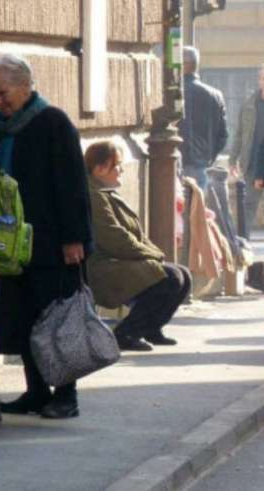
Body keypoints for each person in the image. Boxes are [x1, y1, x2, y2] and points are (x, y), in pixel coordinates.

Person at [0, 54, 92, 419]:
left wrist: (74, 238)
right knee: (23, 316)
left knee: (57, 320)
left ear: (25, 86)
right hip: (14, 242)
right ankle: (35, 391)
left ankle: (66, 393)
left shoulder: (52, 122)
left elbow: (72, 184)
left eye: (3, 93)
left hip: (52, 242)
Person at [85, 141, 192, 351]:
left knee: (183, 274)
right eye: (117, 166)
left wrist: (152, 254)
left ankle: (151, 328)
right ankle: (126, 333)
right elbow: (114, 238)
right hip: (103, 266)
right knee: (169, 278)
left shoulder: (104, 191)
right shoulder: (94, 195)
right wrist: (151, 255)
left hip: (120, 260)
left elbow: (136, 235)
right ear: (99, 169)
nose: (121, 170)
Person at [177, 46, 228, 190]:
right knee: (197, 208)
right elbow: (223, 136)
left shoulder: (170, 93)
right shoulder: (215, 95)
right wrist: (209, 157)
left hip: (175, 162)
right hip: (201, 165)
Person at [229, 64, 264, 238]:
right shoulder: (249, 104)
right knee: (248, 206)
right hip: (251, 163)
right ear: (259, 80)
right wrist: (232, 159)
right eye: (263, 78)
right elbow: (239, 134)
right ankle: (243, 243)